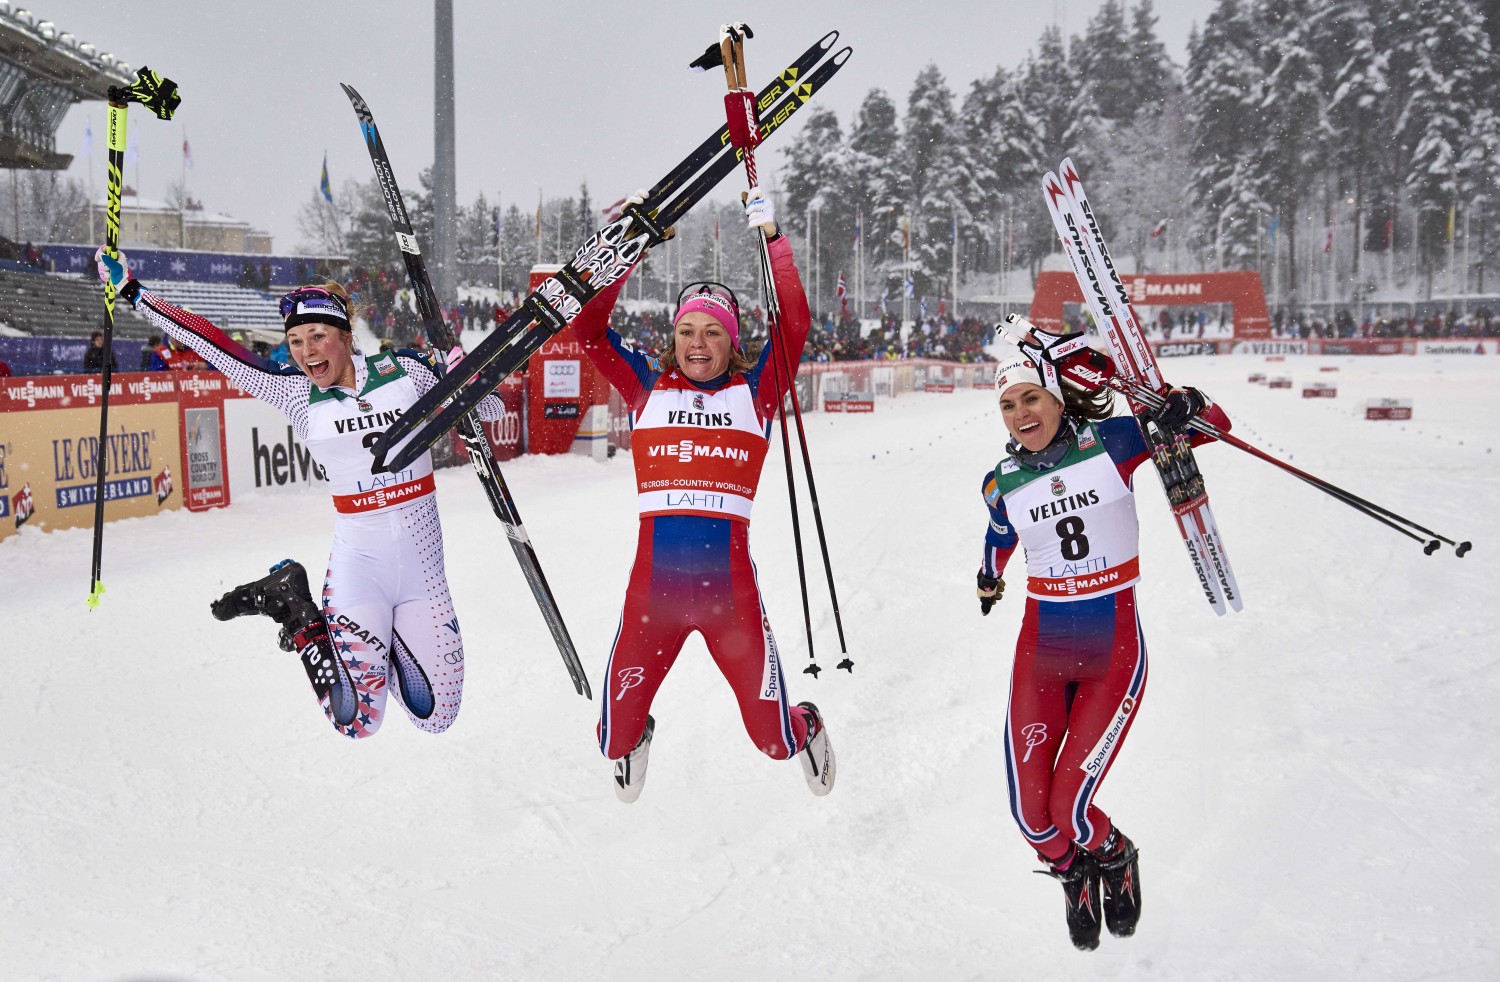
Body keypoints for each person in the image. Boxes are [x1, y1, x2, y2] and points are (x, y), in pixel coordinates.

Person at [95, 247, 505, 739]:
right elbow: (215, 344)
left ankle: (385, 641)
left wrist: (464, 374)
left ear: (346, 338)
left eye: (317, 336)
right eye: (295, 341)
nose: (307, 351)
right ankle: (297, 609)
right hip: (362, 567)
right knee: (356, 720)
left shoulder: (406, 370)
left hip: (424, 574)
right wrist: (135, 293)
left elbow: (493, 411)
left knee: (434, 714)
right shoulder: (294, 392)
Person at [568, 187, 834, 803]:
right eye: (686, 330)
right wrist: (629, 245)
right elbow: (587, 328)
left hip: (730, 601)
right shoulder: (644, 384)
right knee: (610, 740)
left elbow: (794, 324)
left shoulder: (756, 392)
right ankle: (637, 737)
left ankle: (808, 723)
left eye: (711, 333)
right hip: (651, 599)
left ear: (731, 341)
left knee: (774, 742)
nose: (696, 343)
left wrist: (774, 242)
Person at [976, 343, 1229, 951]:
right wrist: (989, 578)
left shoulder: (1113, 442)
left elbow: (1213, 429)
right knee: (1035, 821)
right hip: (1041, 652)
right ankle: (1074, 876)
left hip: (1110, 652)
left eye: (1031, 397)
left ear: (1059, 399)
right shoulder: (1000, 480)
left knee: (1074, 810)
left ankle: (1115, 859)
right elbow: (1000, 533)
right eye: (1008, 405)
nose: (1021, 414)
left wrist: (1186, 406)